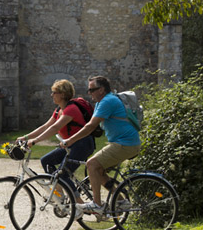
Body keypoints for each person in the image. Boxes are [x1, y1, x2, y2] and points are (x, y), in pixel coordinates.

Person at [63, 76, 140, 216]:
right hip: (123, 143)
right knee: (98, 170)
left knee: (91, 164)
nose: (89, 93)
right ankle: (121, 201)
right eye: (88, 90)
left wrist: (70, 140)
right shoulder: (101, 102)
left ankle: (97, 204)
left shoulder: (108, 101)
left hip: (125, 143)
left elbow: (91, 126)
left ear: (102, 90)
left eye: (92, 90)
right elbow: (93, 125)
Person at [17, 79, 96, 194]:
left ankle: (78, 202)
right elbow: (45, 126)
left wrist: (35, 141)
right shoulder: (59, 109)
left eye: (54, 92)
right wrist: (25, 137)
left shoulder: (71, 109)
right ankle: (60, 196)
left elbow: (54, 128)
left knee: (63, 175)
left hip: (82, 144)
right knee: (46, 161)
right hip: (70, 145)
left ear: (62, 94)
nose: (51, 95)